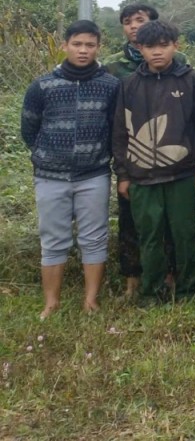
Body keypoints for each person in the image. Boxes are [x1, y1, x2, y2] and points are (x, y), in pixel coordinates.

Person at [21, 20, 121, 318]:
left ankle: (91, 300)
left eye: (90, 45)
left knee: (94, 236)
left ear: (98, 47)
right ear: (65, 46)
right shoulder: (42, 86)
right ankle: (51, 302)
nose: (83, 50)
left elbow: (115, 128)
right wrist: (46, 154)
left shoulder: (110, 85)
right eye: (77, 44)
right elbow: (29, 128)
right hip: (50, 176)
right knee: (53, 238)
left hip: (94, 175)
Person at [111, 21, 195, 304]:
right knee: (149, 237)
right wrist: (122, 174)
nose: (157, 52)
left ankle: (188, 292)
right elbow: (120, 131)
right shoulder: (129, 84)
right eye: (150, 47)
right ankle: (151, 292)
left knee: (185, 235)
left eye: (164, 45)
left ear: (175, 46)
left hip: (182, 174)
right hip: (141, 176)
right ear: (139, 48)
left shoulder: (191, 79)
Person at [103, 2, 180, 297]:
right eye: (127, 21)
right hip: (132, 157)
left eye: (140, 20)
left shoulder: (179, 61)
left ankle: (171, 276)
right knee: (130, 221)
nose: (133, 26)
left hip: (169, 153)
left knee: (171, 223)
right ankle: (132, 280)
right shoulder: (113, 67)